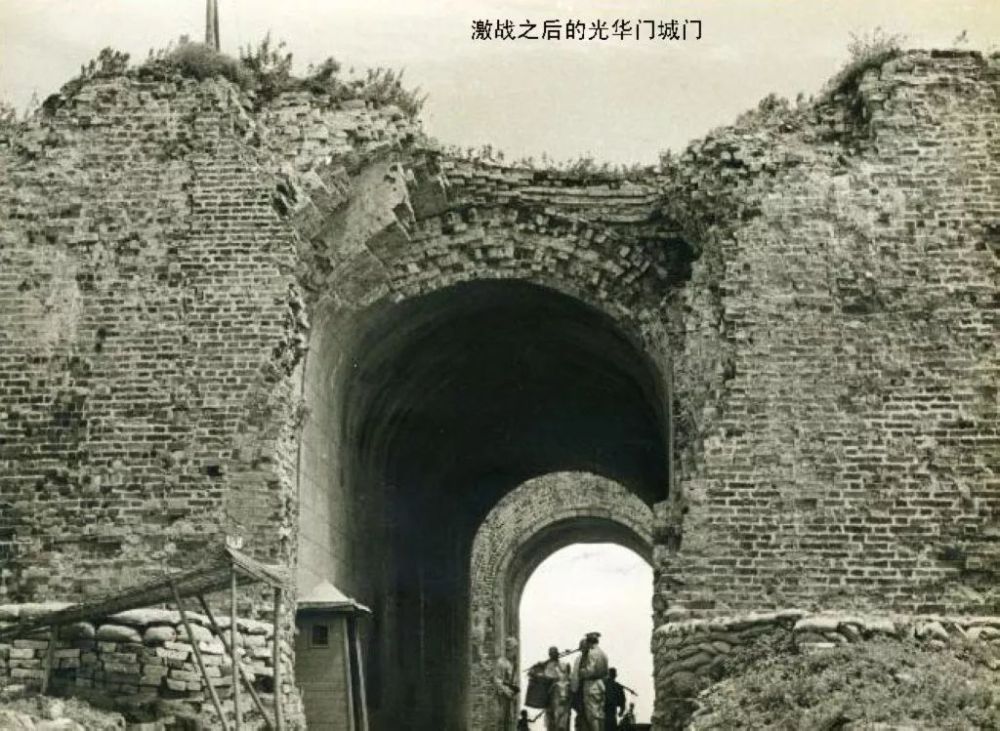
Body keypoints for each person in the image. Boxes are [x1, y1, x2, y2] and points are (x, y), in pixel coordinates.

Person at [571, 632, 608, 731]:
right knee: (600, 715)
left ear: (589, 642)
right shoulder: (603, 654)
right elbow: (606, 673)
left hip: (590, 686)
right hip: (601, 685)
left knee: (592, 716)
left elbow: (588, 672)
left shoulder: (590, 654)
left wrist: (581, 672)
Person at [530, 645, 572, 730]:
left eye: (555, 653)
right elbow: (545, 676)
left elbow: (567, 676)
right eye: (552, 654)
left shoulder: (562, 665)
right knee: (552, 718)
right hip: (552, 695)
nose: (554, 655)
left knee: (565, 716)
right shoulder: (548, 666)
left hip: (562, 693)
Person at [495, 637, 520, 730]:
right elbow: (497, 679)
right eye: (514, 649)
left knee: (510, 721)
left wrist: (514, 690)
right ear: (509, 649)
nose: (515, 652)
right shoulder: (501, 662)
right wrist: (506, 691)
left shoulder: (513, 663)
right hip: (503, 697)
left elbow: (514, 681)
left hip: (511, 697)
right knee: (502, 721)